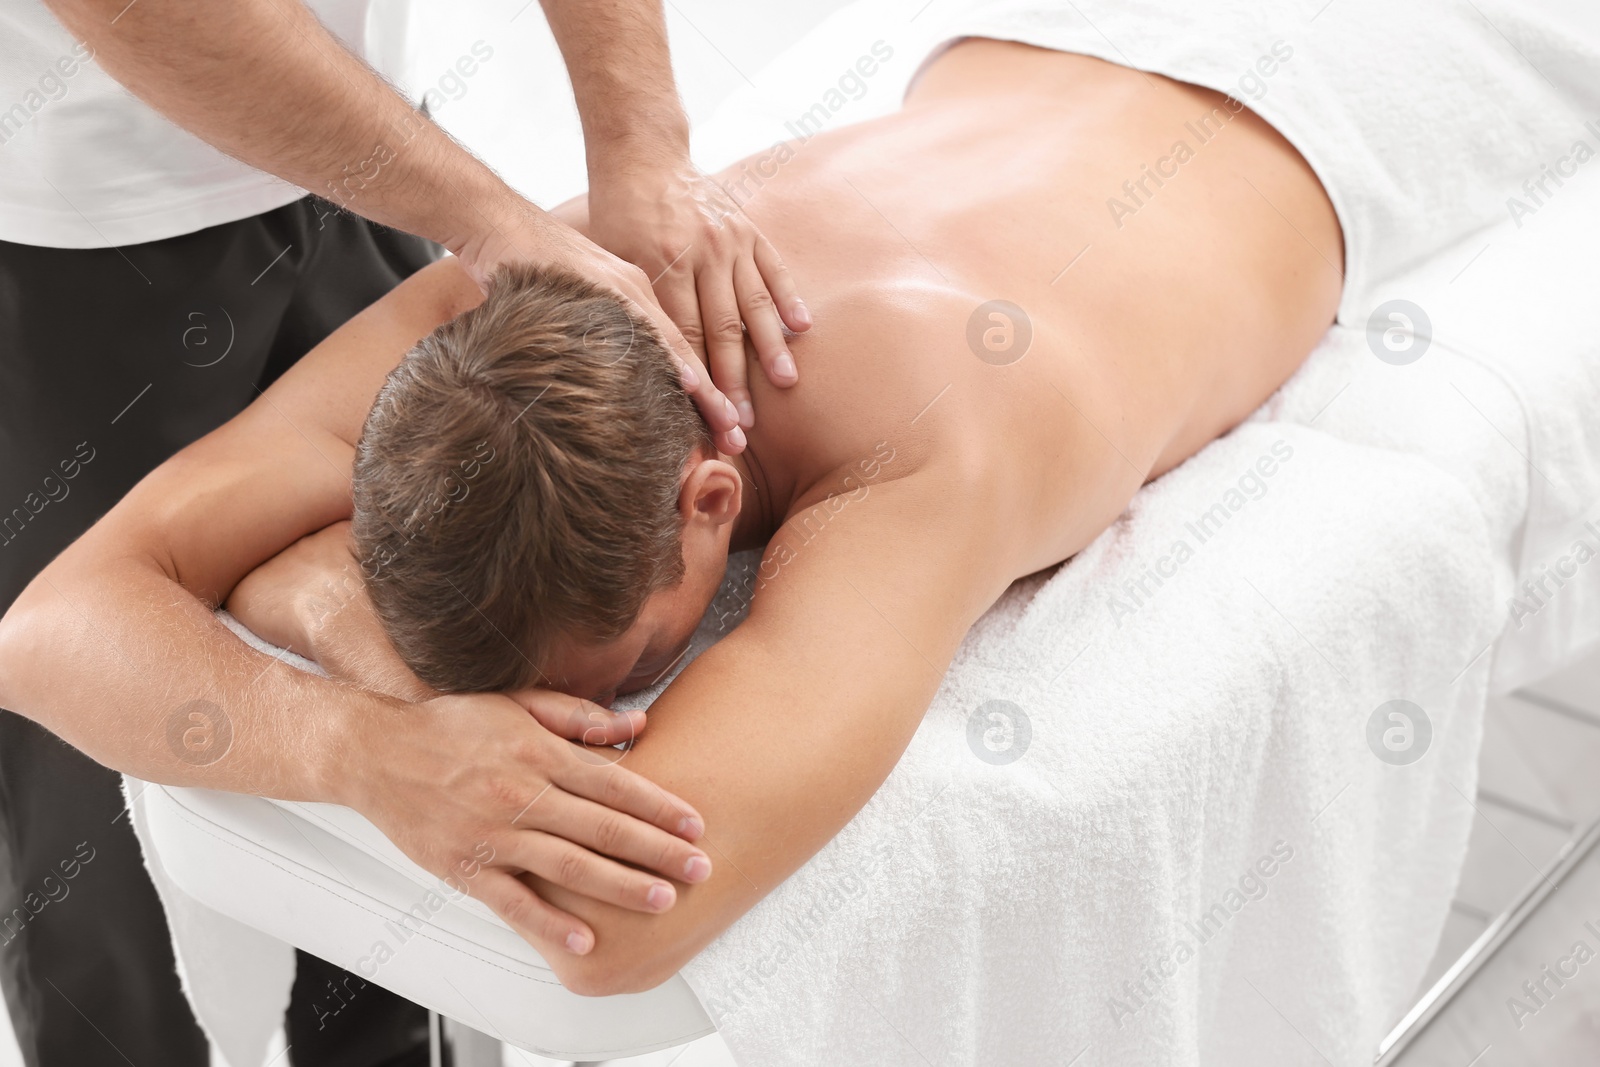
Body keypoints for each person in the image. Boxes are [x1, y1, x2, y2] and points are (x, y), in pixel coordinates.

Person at [0, 38, 1344, 998]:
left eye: (613, 683)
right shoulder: (505, 305)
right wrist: (367, 741)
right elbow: (46, 625)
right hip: (1002, 58)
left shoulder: (933, 433)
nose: (544, 734)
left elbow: (619, 920)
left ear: (712, 500)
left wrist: (296, 584)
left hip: (1327, 118)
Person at [0, 0, 805, 1062]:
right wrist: (365, 751)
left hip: (355, 147)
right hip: (78, 221)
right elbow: (46, 639)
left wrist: (640, 145)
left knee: (404, 859)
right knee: (107, 842)